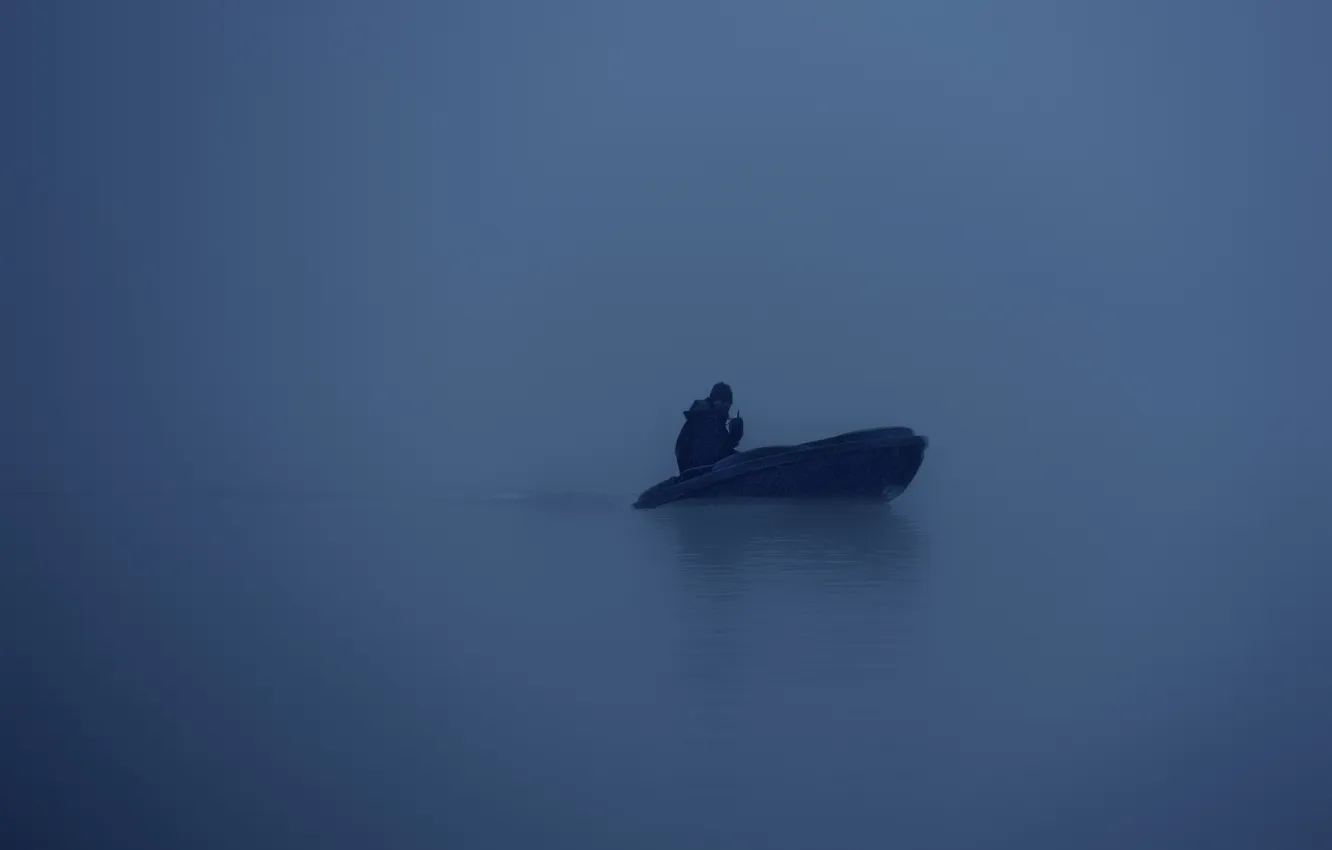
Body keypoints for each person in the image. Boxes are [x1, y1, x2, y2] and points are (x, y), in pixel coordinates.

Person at [674, 381, 745, 474]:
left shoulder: (716, 424)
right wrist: (732, 440)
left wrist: (733, 438)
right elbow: (712, 460)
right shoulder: (704, 420)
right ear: (716, 401)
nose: (726, 409)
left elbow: (719, 454)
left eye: (728, 407)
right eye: (724, 404)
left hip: (704, 477)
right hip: (700, 478)